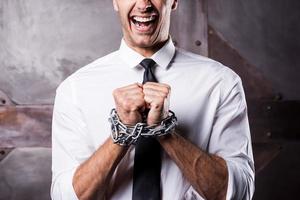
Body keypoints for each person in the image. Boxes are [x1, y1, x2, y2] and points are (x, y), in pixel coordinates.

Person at [51, 0, 255, 199]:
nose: (143, 4)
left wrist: (164, 131)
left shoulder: (221, 82)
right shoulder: (75, 88)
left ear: (174, 1)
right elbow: (65, 196)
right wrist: (123, 133)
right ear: (115, 2)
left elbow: (238, 194)